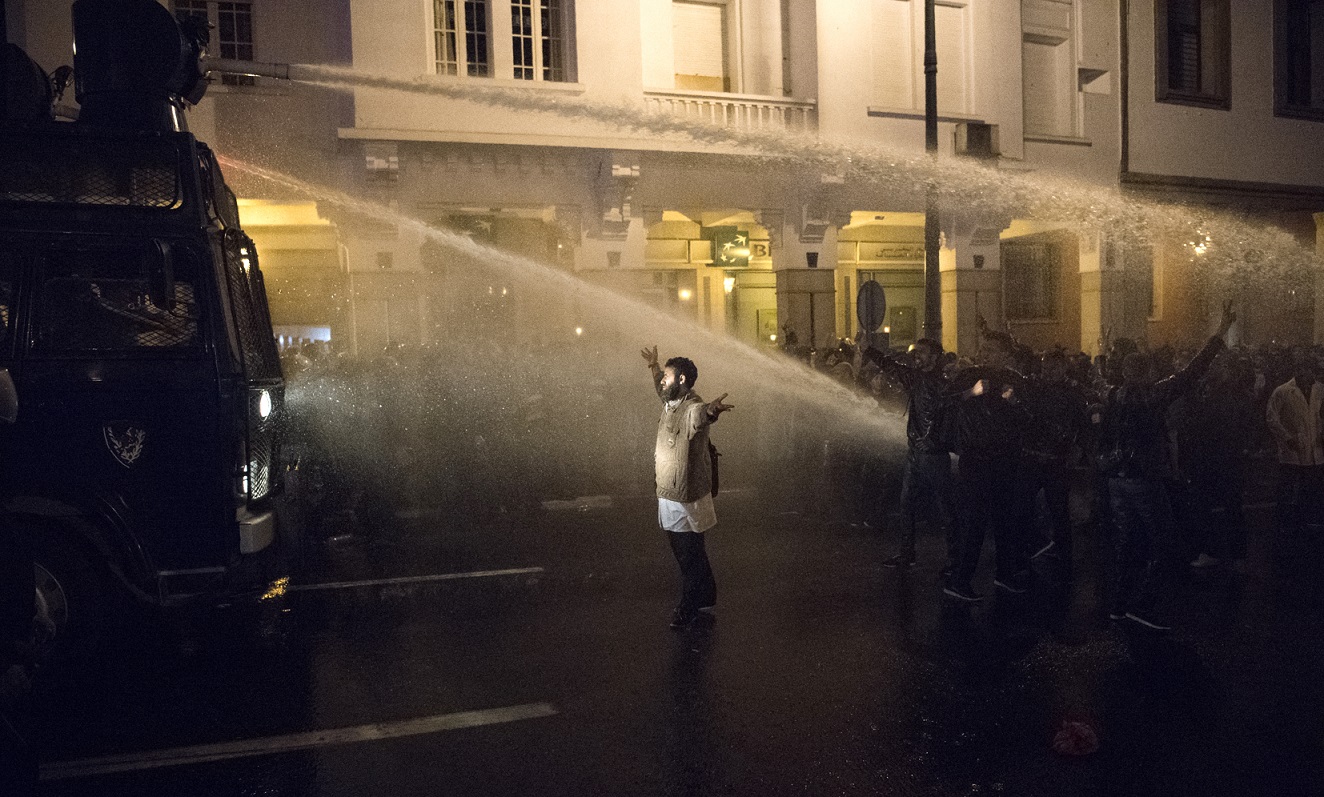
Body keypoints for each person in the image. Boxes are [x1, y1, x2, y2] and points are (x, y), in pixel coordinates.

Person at [1097, 300, 1236, 631]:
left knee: (1127, 542)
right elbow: (1193, 371)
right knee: (1165, 542)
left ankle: (1118, 605)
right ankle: (1144, 606)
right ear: (1146, 373)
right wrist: (1219, 332)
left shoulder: (1113, 394)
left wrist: (1105, 346)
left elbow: (1102, 378)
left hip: (1117, 478)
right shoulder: (1154, 395)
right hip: (1144, 478)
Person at [641, 346, 733, 629]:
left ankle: (688, 607)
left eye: (667, 377)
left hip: (685, 497)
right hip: (670, 493)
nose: (662, 381)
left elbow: (701, 415)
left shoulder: (691, 407)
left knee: (688, 555)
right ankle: (705, 595)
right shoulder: (670, 400)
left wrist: (712, 410)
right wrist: (654, 366)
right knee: (690, 552)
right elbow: (660, 389)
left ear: (681, 380)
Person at [944, 330, 1030, 601]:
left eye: (990, 350)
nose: (983, 354)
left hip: (1005, 461)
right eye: (982, 349)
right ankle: (959, 580)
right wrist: (972, 392)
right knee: (974, 522)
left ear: (1005, 354)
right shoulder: (969, 376)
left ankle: (1005, 574)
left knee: (1006, 520)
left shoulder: (1015, 380)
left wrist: (1013, 400)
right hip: (976, 460)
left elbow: (1029, 417)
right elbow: (945, 403)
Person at [859, 338, 957, 570]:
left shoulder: (942, 382)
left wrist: (930, 441)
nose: (915, 356)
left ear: (935, 356)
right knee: (907, 505)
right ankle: (907, 554)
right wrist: (869, 350)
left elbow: (948, 410)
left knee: (947, 508)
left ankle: (955, 560)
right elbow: (892, 367)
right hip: (916, 453)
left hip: (934, 454)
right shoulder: (916, 377)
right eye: (915, 352)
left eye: (921, 352)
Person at [1181, 353, 1257, 571]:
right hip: (1208, 458)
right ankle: (1214, 552)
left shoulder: (1234, 394)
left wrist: (1243, 447)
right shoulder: (1208, 390)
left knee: (1231, 507)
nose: (1212, 369)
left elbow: (1243, 423)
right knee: (1205, 507)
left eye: (1217, 365)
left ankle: (1237, 555)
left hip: (1225, 458)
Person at [1021, 349, 1090, 577]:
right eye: (1045, 368)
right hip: (1033, 456)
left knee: (1058, 508)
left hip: (1056, 459)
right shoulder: (1035, 389)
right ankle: (1035, 545)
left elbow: (1083, 425)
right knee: (1027, 505)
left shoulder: (1073, 393)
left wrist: (1077, 450)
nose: (1047, 372)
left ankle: (1063, 551)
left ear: (1063, 369)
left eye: (1052, 368)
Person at [1264, 352, 1323, 533]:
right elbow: (1272, 418)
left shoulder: (1320, 389)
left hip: (1315, 448)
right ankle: (1284, 523)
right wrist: (1287, 438)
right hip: (1292, 450)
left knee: (1310, 487)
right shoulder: (1282, 391)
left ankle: (1306, 520)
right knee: (1287, 487)